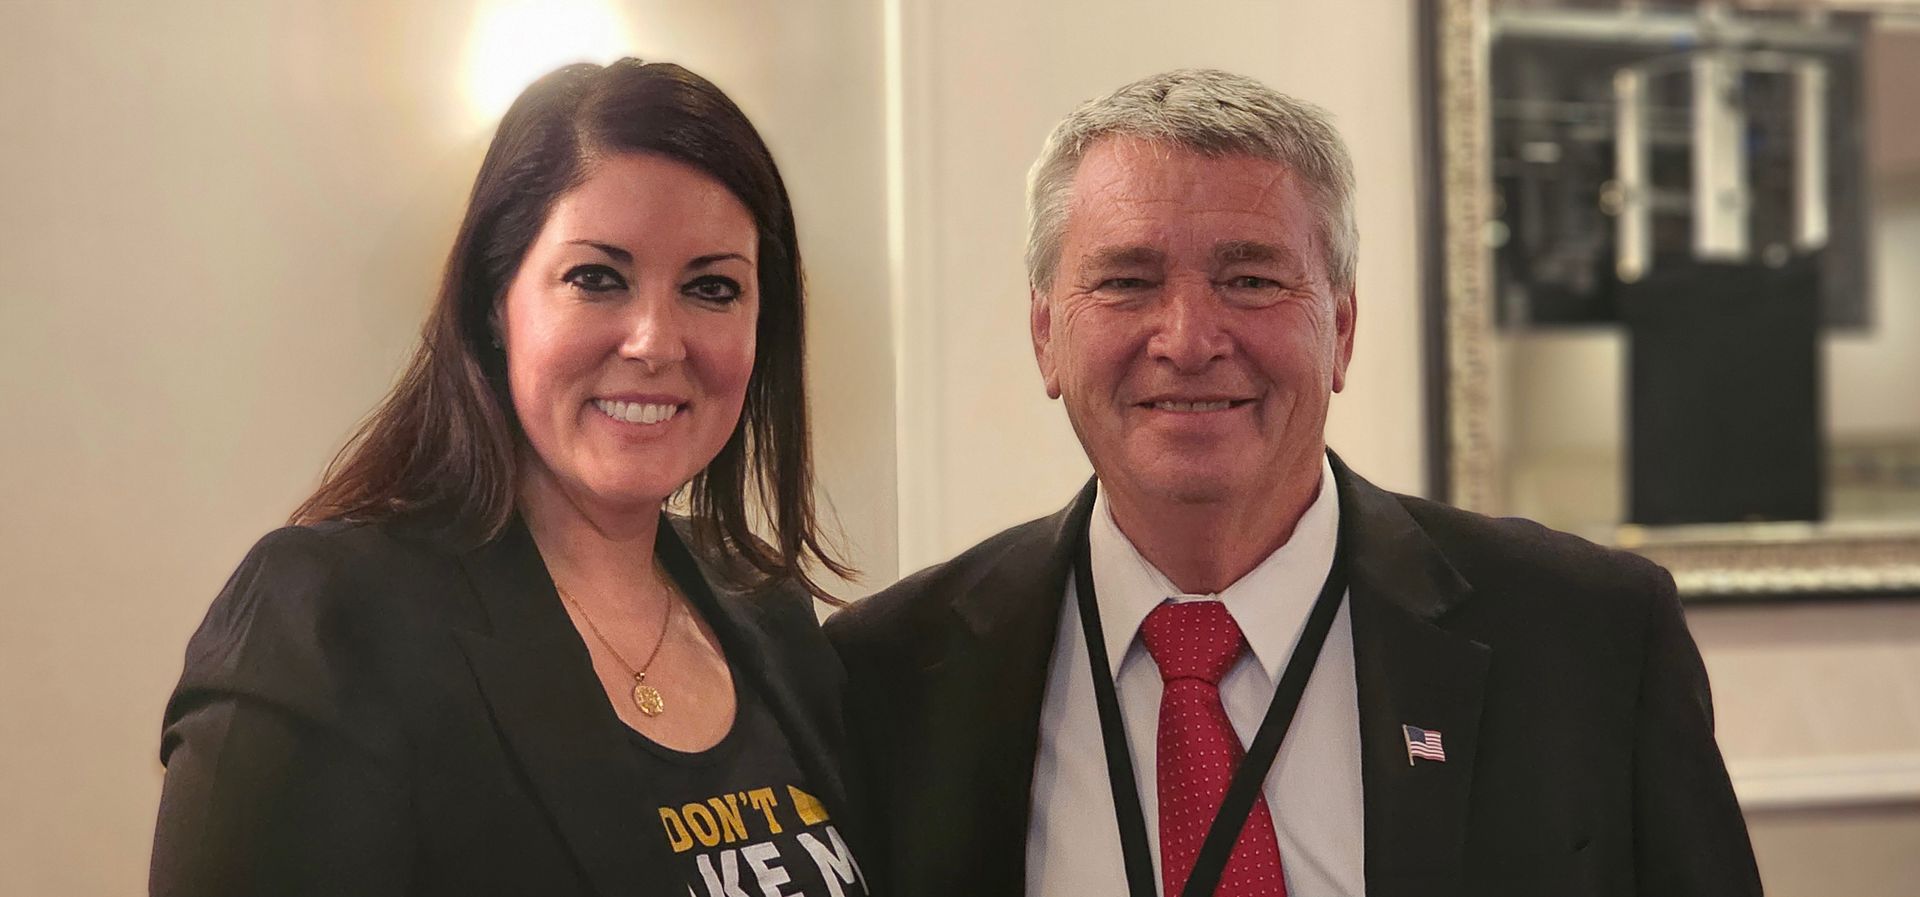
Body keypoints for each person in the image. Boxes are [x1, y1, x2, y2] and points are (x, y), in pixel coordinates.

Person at [825, 68, 1760, 897]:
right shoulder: (897, 673)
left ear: (1342, 328)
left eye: (1253, 280)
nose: (1189, 340)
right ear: (1045, 336)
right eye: (1125, 281)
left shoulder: (1588, 639)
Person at [152, 59, 872, 897]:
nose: (654, 341)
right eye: (597, 278)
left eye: (712, 288)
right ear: (497, 302)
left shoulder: (773, 620)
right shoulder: (325, 620)